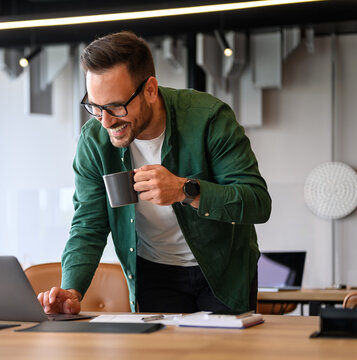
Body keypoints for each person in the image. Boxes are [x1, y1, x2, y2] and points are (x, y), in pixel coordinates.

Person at [37, 31, 271, 315]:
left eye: (116, 106)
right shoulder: (94, 140)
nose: (107, 121)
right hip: (152, 273)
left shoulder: (209, 118)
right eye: (95, 107)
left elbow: (257, 202)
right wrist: (72, 289)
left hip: (223, 271)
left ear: (150, 89)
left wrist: (185, 190)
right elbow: (89, 223)